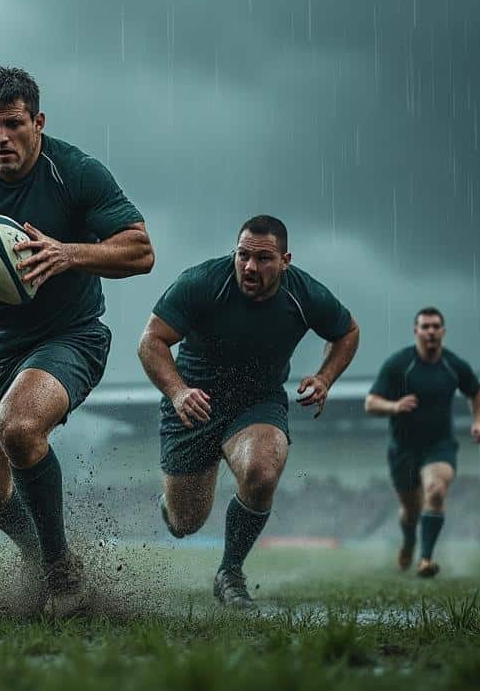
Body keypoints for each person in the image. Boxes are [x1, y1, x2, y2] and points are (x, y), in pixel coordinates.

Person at [0, 66, 153, 611]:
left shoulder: (76, 173)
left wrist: (69, 252)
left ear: (37, 122)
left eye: (13, 124)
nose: (1, 138)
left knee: (18, 425)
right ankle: (42, 558)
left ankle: (64, 573)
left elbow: (140, 250)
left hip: (72, 336)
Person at [138, 215, 358, 609]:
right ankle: (173, 509)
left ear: (285, 260)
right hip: (194, 404)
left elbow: (347, 332)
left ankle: (230, 572)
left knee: (263, 470)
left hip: (257, 402)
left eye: (263, 259)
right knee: (185, 523)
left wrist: (325, 377)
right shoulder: (202, 282)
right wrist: (177, 392)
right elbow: (151, 341)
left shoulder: (304, 295)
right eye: (243, 256)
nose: (250, 267)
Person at [365, 307, 480, 577]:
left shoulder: (453, 365)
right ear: (416, 331)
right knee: (411, 510)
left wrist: (478, 422)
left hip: (440, 445)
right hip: (403, 449)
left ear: (443, 331)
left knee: (435, 490)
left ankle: (426, 559)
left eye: (435, 326)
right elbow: (370, 403)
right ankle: (409, 540)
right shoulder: (399, 364)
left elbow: (477, 393)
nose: (431, 331)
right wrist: (395, 406)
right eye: (425, 326)